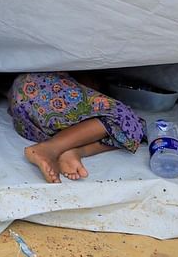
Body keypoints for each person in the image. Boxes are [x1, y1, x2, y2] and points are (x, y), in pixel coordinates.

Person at [8, 72, 145, 184]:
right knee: (128, 120)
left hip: (26, 121)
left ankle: (73, 151)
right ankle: (50, 148)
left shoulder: (69, 117)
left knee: (126, 128)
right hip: (37, 90)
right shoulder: (63, 86)